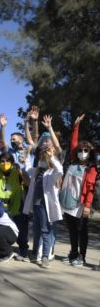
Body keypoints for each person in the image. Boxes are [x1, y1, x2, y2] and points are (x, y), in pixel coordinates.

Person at [60, 114, 98, 267]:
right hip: (68, 202)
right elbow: (73, 143)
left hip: (81, 204)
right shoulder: (72, 162)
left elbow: (90, 188)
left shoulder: (91, 168)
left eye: (86, 150)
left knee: (82, 231)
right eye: (81, 150)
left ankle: (82, 257)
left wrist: (88, 205)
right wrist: (75, 127)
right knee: (72, 230)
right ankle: (73, 253)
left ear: (90, 152)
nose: (83, 152)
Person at [23, 146, 63, 269]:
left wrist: (52, 156)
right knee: (36, 230)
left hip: (44, 206)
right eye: (41, 159)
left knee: (45, 231)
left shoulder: (52, 173)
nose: (42, 161)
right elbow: (28, 168)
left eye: (44, 159)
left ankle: (45, 257)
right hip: (35, 205)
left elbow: (60, 170)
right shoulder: (36, 171)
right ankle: (35, 254)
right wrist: (27, 155)